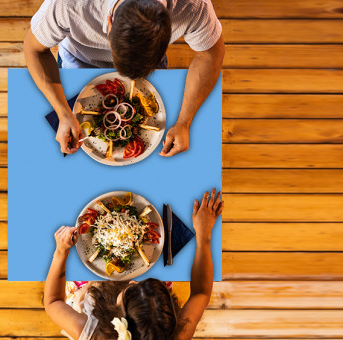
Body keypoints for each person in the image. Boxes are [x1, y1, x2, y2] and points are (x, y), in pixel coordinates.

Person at [24, 0, 225, 156]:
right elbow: (33, 49)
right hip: (79, 61)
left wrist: (184, 123)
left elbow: (211, 54)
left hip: (151, 70)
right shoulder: (67, 5)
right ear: (109, 24)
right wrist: (63, 113)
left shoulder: (193, 6)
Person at [44, 189, 223, 339]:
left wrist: (61, 252)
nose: (133, 281)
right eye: (143, 283)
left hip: (92, 292)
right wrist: (204, 235)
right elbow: (201, 293)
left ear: (119, 319)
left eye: (131, 289)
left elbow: (53, 302)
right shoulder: (176, 335)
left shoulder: (93, 334)